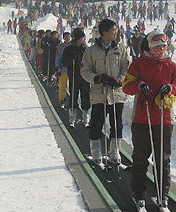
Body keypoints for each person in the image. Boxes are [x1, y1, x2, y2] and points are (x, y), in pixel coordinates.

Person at [122, 31, 176, 207]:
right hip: (142, 118)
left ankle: (162, 192)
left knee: (163, 159)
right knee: (140, 158)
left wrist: (171, 88)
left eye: (163, 47)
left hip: (164, 119)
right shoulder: (139, 63)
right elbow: (126, 86)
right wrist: (139, 85)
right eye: (156, 47)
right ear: (149, 46)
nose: (160, 50)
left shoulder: (172, 66)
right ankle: (138, 192)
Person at [81, 19, 131, 166]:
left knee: (117, 124)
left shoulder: (121, 49)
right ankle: (96, 152)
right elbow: (84, 71)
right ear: (104, 32)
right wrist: (96, 78)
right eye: (112, 31)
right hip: (99, 94)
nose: (115, 33)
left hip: (116, 94)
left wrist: (120, 80)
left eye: (116, 30)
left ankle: (114, 152)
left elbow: (127, 68)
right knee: (97, 123)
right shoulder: (91, 51)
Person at [62, 28, 91, 126]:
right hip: (74, 76)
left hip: (85, 77)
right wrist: (70, 60)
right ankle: (72, 116)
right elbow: (64, 62)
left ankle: (85, 116)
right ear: (77, 39)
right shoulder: (69, 49)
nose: (84, 39)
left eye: (84, 37)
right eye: (82, 38)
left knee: (85, 96)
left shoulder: (87, 49)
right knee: (73, 95)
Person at [55, 31, 71, 109]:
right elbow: (58, 57)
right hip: (63, 69)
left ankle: (72, 101)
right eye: (66, 36)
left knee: (72, 86)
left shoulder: (73, 45)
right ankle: (62, 100)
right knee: (62, 85)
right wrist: (57, 67)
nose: (68, 38)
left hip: (72, 69)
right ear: (63, 38)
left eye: (69, 36)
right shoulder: (60, 47)